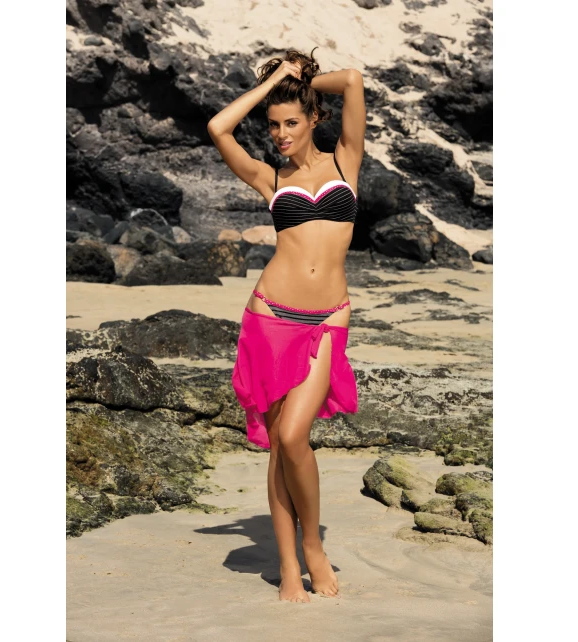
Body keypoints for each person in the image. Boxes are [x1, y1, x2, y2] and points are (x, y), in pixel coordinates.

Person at [207, 47, 365, 603]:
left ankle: (312, 546)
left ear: (314, 119)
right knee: (280, 444)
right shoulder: (269, 177)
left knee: (296, 435)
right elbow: (218, 127)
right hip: (271, 316)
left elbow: (353, 80)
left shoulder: (346, 160)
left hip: (327, 319)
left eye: (291, 122)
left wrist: (303, 81)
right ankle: (289, 566)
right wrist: (275, 81)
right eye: (274, 126)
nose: (280, 135)